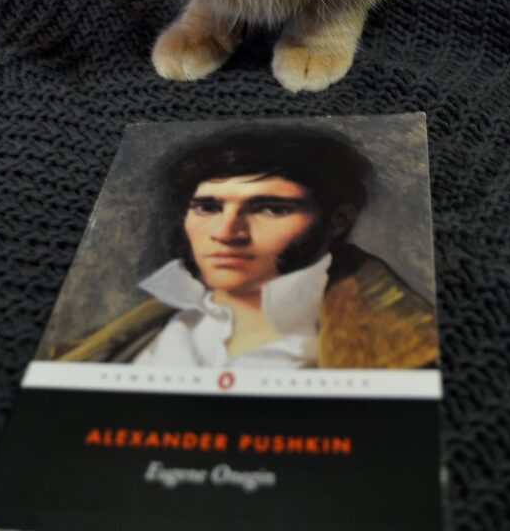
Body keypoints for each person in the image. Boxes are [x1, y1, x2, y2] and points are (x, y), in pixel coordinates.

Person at [55, 125, 438, 369]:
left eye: (271, 208)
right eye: (207, 207)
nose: (227, 231)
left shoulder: (407, 343)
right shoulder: (129, 335)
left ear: (338, 220)